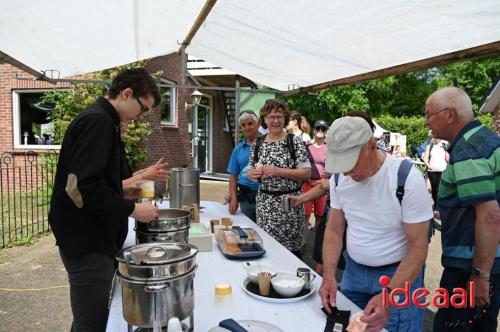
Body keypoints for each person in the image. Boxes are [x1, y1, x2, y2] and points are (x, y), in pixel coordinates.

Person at [48, 68, 161, 332]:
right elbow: (83, 189)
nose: (141, 116)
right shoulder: (98, 122)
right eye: (143, 108)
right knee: (93, 324)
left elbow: (95, 182)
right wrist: (133, 209)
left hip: (94, 237)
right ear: (127, 93)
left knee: (91, 316)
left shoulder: (105, 122)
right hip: (86, 241)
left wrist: (122, 191)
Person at [319, 116, 433, 332]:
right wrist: (329, 276)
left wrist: (389, 295)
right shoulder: (338, 179)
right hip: (353, 273)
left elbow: (419, 247)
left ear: (371, 145)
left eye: (351, 163)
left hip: (397, 275)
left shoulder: (405, 178)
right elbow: (334, 230)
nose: (346, 172)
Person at [424, 86, 500, 332]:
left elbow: (489, 215)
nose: (426, 121)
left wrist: (480, 275)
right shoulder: (486, 139)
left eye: (428, 114)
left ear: (449, 114)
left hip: (470, 266)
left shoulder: (468, 149)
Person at [248, 100, 311, 257]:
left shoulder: (294, 141)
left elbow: (306, 173)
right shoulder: (258, 143)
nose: (275, 121)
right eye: (271, 117)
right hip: (265, 205)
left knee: (290, 254)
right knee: (266, 250)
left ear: (284, 118)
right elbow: (250, 169)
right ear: (264, 119)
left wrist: (279, 171)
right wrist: (251, 174)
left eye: (279, 116)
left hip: (289, 204)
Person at [226, 110, 260, 222]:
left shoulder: (267, 144)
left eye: (250, 123)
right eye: (243, 125)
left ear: (258, 124)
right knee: (248, 230)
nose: (247, 127)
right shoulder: (238, 148)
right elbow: (233, 175)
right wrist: (234, 198)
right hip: (245, 198)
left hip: (265, 197)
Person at [303, 119, 328, 230]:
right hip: (307, 184)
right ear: (314, 130)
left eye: (323, 129)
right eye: (318, 128)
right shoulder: (307, 146)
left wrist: (324, 179)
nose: (320, 130)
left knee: (319, 214)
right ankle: (302, 242)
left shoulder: (329, 148)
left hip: (321, 185)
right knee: (306, 214)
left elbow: (331, 166)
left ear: (326, 132)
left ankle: (315, 241)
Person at [422, 130, 448, 209]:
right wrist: (428, 165)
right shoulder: (429, 146)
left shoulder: (445, 146)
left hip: (442, 170)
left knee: (438, 188)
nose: (435, 138)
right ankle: (436, 204)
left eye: (437, 137)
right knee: (433, 189)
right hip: (432, 170)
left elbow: (447, 158)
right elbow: (425, 158)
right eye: (434, 137)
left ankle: (438, 205)